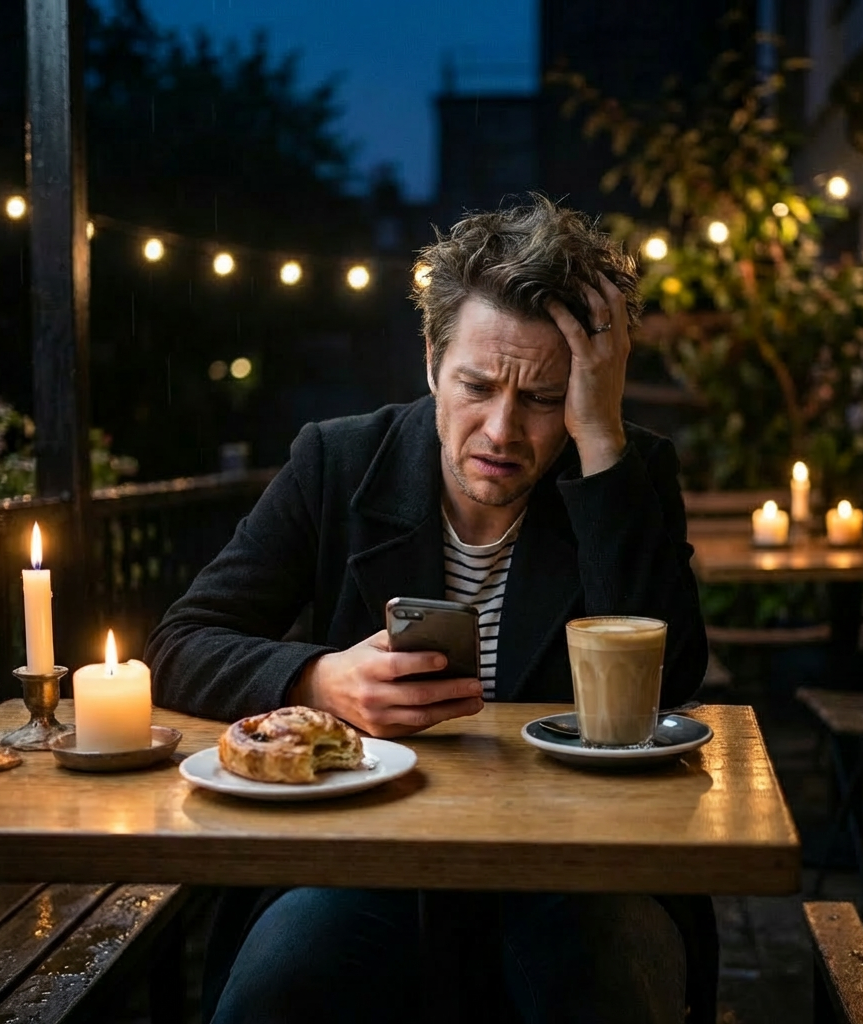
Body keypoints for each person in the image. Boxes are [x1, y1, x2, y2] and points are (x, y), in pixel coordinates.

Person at [146, 196, 711, 1024]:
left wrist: (599, 441)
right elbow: (180, 641)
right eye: (476, 386)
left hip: (577, 863)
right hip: (358, 853)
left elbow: (673, 679)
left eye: (546, 398)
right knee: (277, 990)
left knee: (613, 985)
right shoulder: (337, 460)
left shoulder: (625, 473)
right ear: (430, 360)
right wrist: (317, 679)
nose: (502, 431)